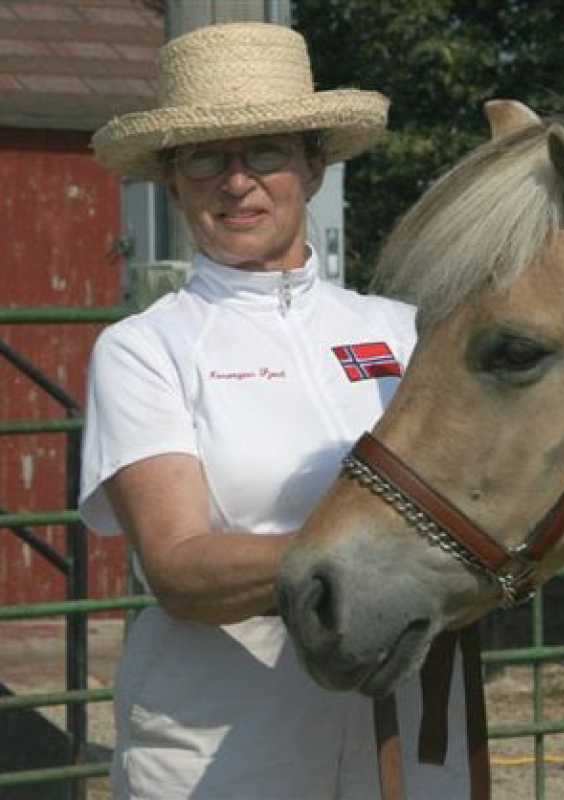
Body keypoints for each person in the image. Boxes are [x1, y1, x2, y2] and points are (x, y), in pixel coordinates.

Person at [79, 21, 467, 800]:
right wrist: (380, 559)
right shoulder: (145, 349)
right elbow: (181, 567)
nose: (236, 182)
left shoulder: (401, 330)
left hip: (411, 742)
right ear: (172, 179)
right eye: (204, 159)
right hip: (224, 750)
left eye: (264, 152)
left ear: (312, 165)